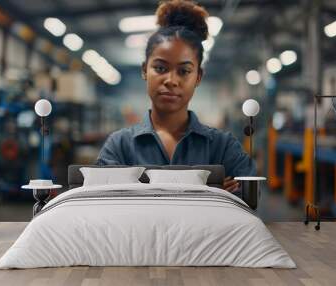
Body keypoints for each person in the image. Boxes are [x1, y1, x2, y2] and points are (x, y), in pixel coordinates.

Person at [96, 0, 256, 193]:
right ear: (145, 70)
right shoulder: (119, 147)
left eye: (184, 71)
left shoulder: (223, 147)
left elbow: (247, 200)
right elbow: (105, 207)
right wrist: (212, 193)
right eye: (160, 68)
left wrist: (137, 191)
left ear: (198, 77)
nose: (171, 80)